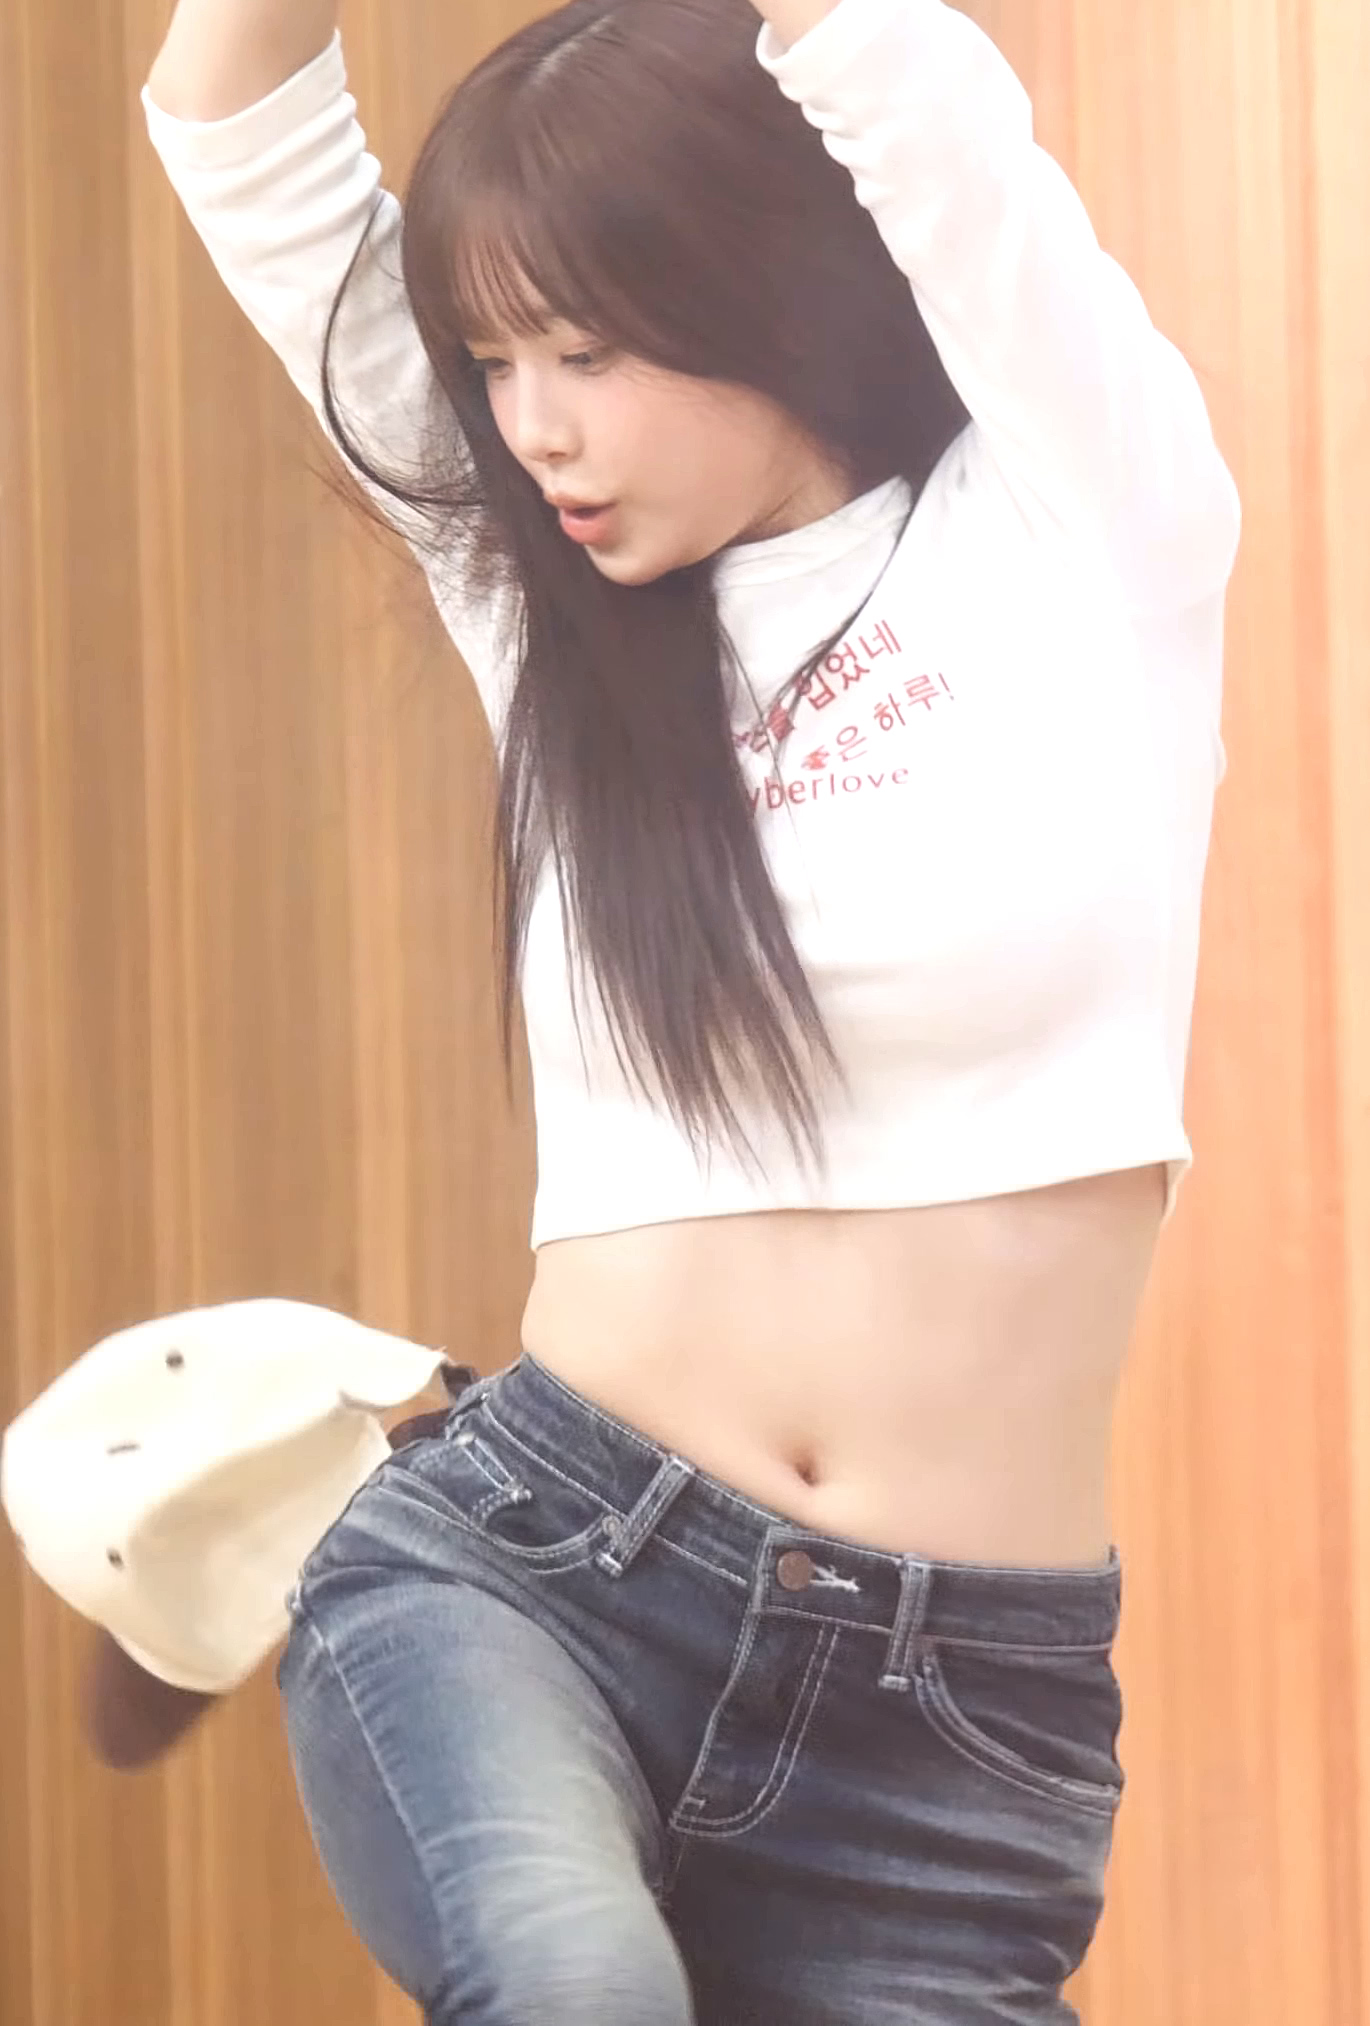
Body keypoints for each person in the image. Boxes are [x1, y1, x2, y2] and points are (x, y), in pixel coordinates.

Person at [139, 0, 1242, 2018]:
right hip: (541, 1577)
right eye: (490, 362)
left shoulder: (1084, 530)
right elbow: (235, 123)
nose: (529, 428)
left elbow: (911, 99)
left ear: (764, 287)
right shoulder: (540, 598)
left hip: (944, 1736)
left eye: (584, 350)